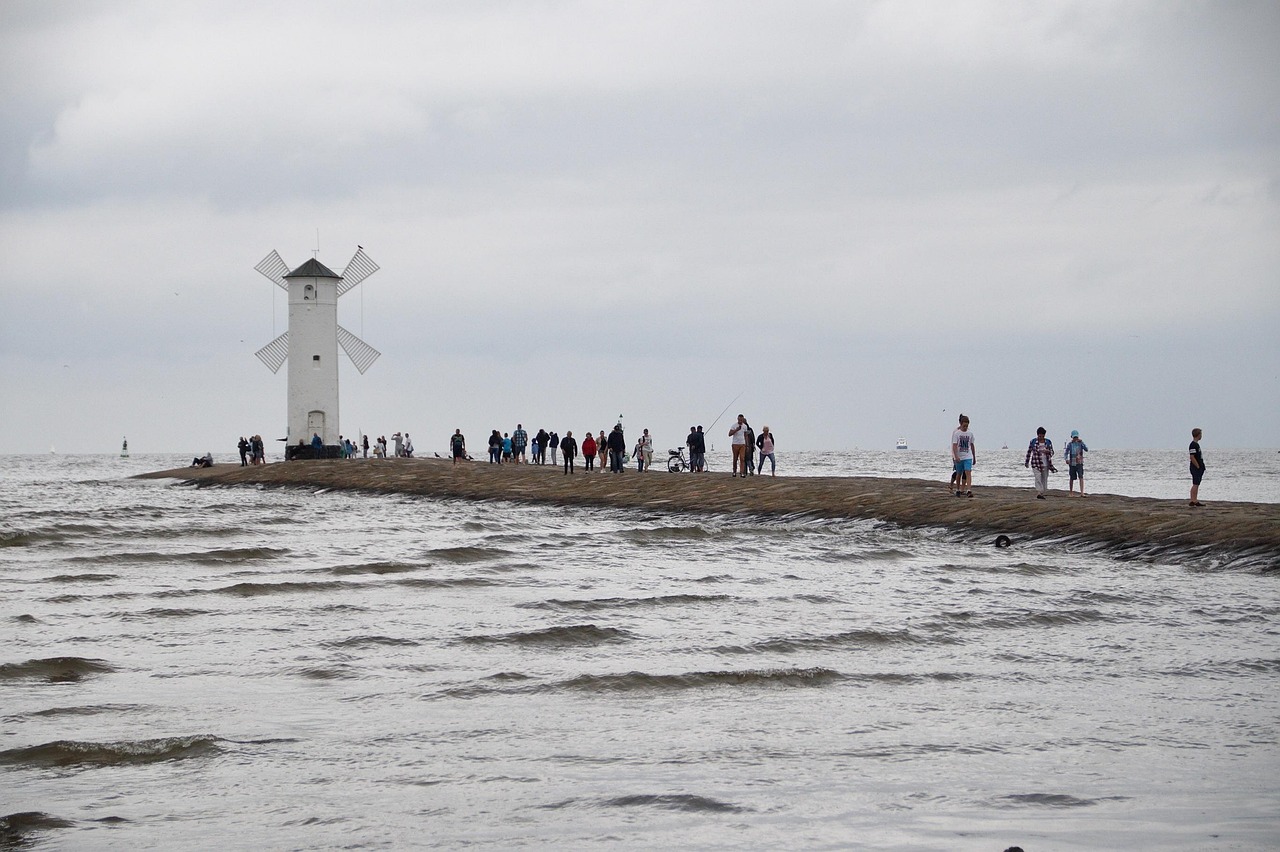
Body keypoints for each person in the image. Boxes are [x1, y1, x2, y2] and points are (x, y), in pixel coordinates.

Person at [1024, 426, 1057, 499]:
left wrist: (1048, 451)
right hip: (1036, 462)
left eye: (1042, 436)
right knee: (1038, 477)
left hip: (1046, 463)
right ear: (1037, 435)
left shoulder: (1048, 442)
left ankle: (1042, 492)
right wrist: (1027, 462)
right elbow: (1029, 452)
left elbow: (1052, 452)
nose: (1041, 437)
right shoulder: (1033, 442)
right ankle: (1039, 491)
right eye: (1040, 436)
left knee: (1044, 478)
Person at [951, 414, 975, 497]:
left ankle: (968, 490)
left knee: (968, 472)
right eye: (964, 426)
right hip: (959, 457)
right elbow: (954, 446)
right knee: (959, 473)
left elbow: (972, 445)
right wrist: (956, 456)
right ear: (960, 424)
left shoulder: (970, 433)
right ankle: (957, 489)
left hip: (968, 456)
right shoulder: (956, 433)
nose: (965, 427)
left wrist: (974, 457)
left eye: (967, 426)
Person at [1064, 430, 1089, 496]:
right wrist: (1066, 459)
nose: (1075, 438)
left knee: (1081, 476)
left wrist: (1082, 442)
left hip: (1079, 463)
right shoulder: (1070, 444)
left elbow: (1086, 449)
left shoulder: (1080, 443)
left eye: (1076, 437)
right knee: (1072, 477)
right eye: (1074, 437)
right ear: (1072, 437)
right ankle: (1071, 492)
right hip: (1072, 463)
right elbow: (1066, 453)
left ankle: (1082, 492)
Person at [1189, 427, 1206, 507]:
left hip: (1199, 467)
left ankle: (1194, 499)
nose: (1201, 436)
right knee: (1195, 483)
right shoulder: (1193, 445)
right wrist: (1198, 466)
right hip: (1195, 467)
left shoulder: (1196, 444)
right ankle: (1193, 500)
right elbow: (1192, 457)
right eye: (1200, 434)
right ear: (1198, 435)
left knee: (1197, 483)